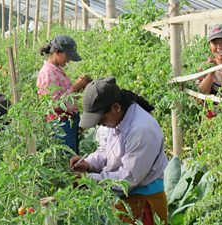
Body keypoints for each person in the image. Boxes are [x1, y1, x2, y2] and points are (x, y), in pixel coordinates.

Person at [70, 77, 168, 225]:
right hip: (127, 199)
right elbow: (105, 150)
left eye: (101, 119)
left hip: (145, 202)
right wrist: (88, 164)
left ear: (116, 107)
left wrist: (88, 180)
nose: (100, 124)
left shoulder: (141, 130)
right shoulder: (116, 121)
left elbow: (128, 179)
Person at [37, 35, 91, 154]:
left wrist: (80, 86)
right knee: (68, 160)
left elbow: (65, 96)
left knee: (73, 157)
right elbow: (55, 103)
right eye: (67, 56)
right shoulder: (48, 73)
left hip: (68, 121)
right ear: (57, 52)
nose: (69, 60)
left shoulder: (56, 70)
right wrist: (76, 86)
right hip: (61, 123)